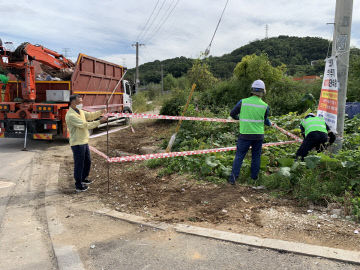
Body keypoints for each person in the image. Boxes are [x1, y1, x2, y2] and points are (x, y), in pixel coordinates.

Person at [228, 79, 272, 185]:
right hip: (258, 136)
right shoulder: (265, 106)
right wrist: (270, 124)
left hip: (245, 134)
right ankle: (254, 178)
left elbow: (232, 114)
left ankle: (233, 179)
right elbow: (265, 120)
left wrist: (240, 118)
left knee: (239, 156)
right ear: (263, 92)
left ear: (252, 90)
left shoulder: (243, 102)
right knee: (256, 156)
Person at [65, 94, 108, 192]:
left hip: (84, 141)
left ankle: (84, 178)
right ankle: (78, 185)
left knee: (87, 162)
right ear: (72, 102)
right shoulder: (71, 115)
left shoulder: (80, 111)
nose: (81, 102)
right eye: (79, 100)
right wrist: (100, 122)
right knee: (79, 164)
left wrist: (101, 112)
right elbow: (84, 125)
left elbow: (90, 116)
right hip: (77, 143)